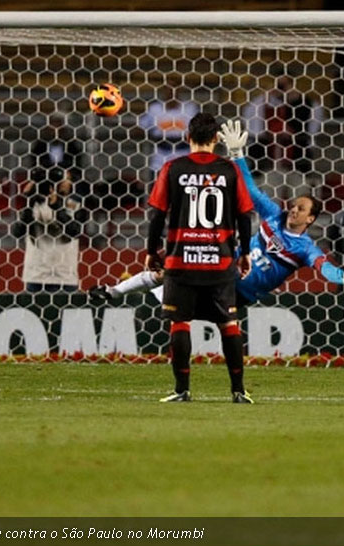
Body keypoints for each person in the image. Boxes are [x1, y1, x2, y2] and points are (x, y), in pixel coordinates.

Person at [91, 120, 344, 308]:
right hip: (222, 268)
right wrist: (236, 153)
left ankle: (139, 299)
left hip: (240, 292)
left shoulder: (305, 248)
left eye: (301, 209)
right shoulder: (274, 215)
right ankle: (113, 292)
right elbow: (250, 190)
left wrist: (343, 277)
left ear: (310, 219)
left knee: (173, 287)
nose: (293, 209)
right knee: (172, 267)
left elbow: (324, 267)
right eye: (294, 204)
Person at [143, 112, 256, 403]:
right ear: (217, 139)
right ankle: (238, 391)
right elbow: (245, 215)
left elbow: (157, 214)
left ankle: (182, 390)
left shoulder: (172, 168)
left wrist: (151, 251)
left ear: (187, 137)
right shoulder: (230, 170)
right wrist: (242, 254)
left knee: (179, 322)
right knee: (228, 324)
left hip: (181, 260)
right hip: (219, 260)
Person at [12, 167, 87, 293]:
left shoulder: (77, 206)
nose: (68, 182)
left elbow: (74, 232)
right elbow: (18, 232)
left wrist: (56, 207)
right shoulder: (35, 205)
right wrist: (28, 203)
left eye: (68, 179)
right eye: (65, 179)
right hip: (36, 276)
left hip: (65, 277)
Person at [242, 74, 323, 175]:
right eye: (279, 85)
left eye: (284, 85)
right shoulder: (261, 103)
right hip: (267, 152)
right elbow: (253, 127)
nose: (282, 90)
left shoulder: (308, 104)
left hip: (296, 151)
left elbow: (312, 130)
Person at [140, 83, 199, 176]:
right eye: (168, 90)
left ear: (180, 91)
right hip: (161, 152)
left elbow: (197, 128)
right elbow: (141, 127)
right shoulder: (155, 108)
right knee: (160, 182)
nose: (171, 93)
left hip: (184, 151)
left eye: (174, 90)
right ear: (163, 92)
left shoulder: (189, 108)